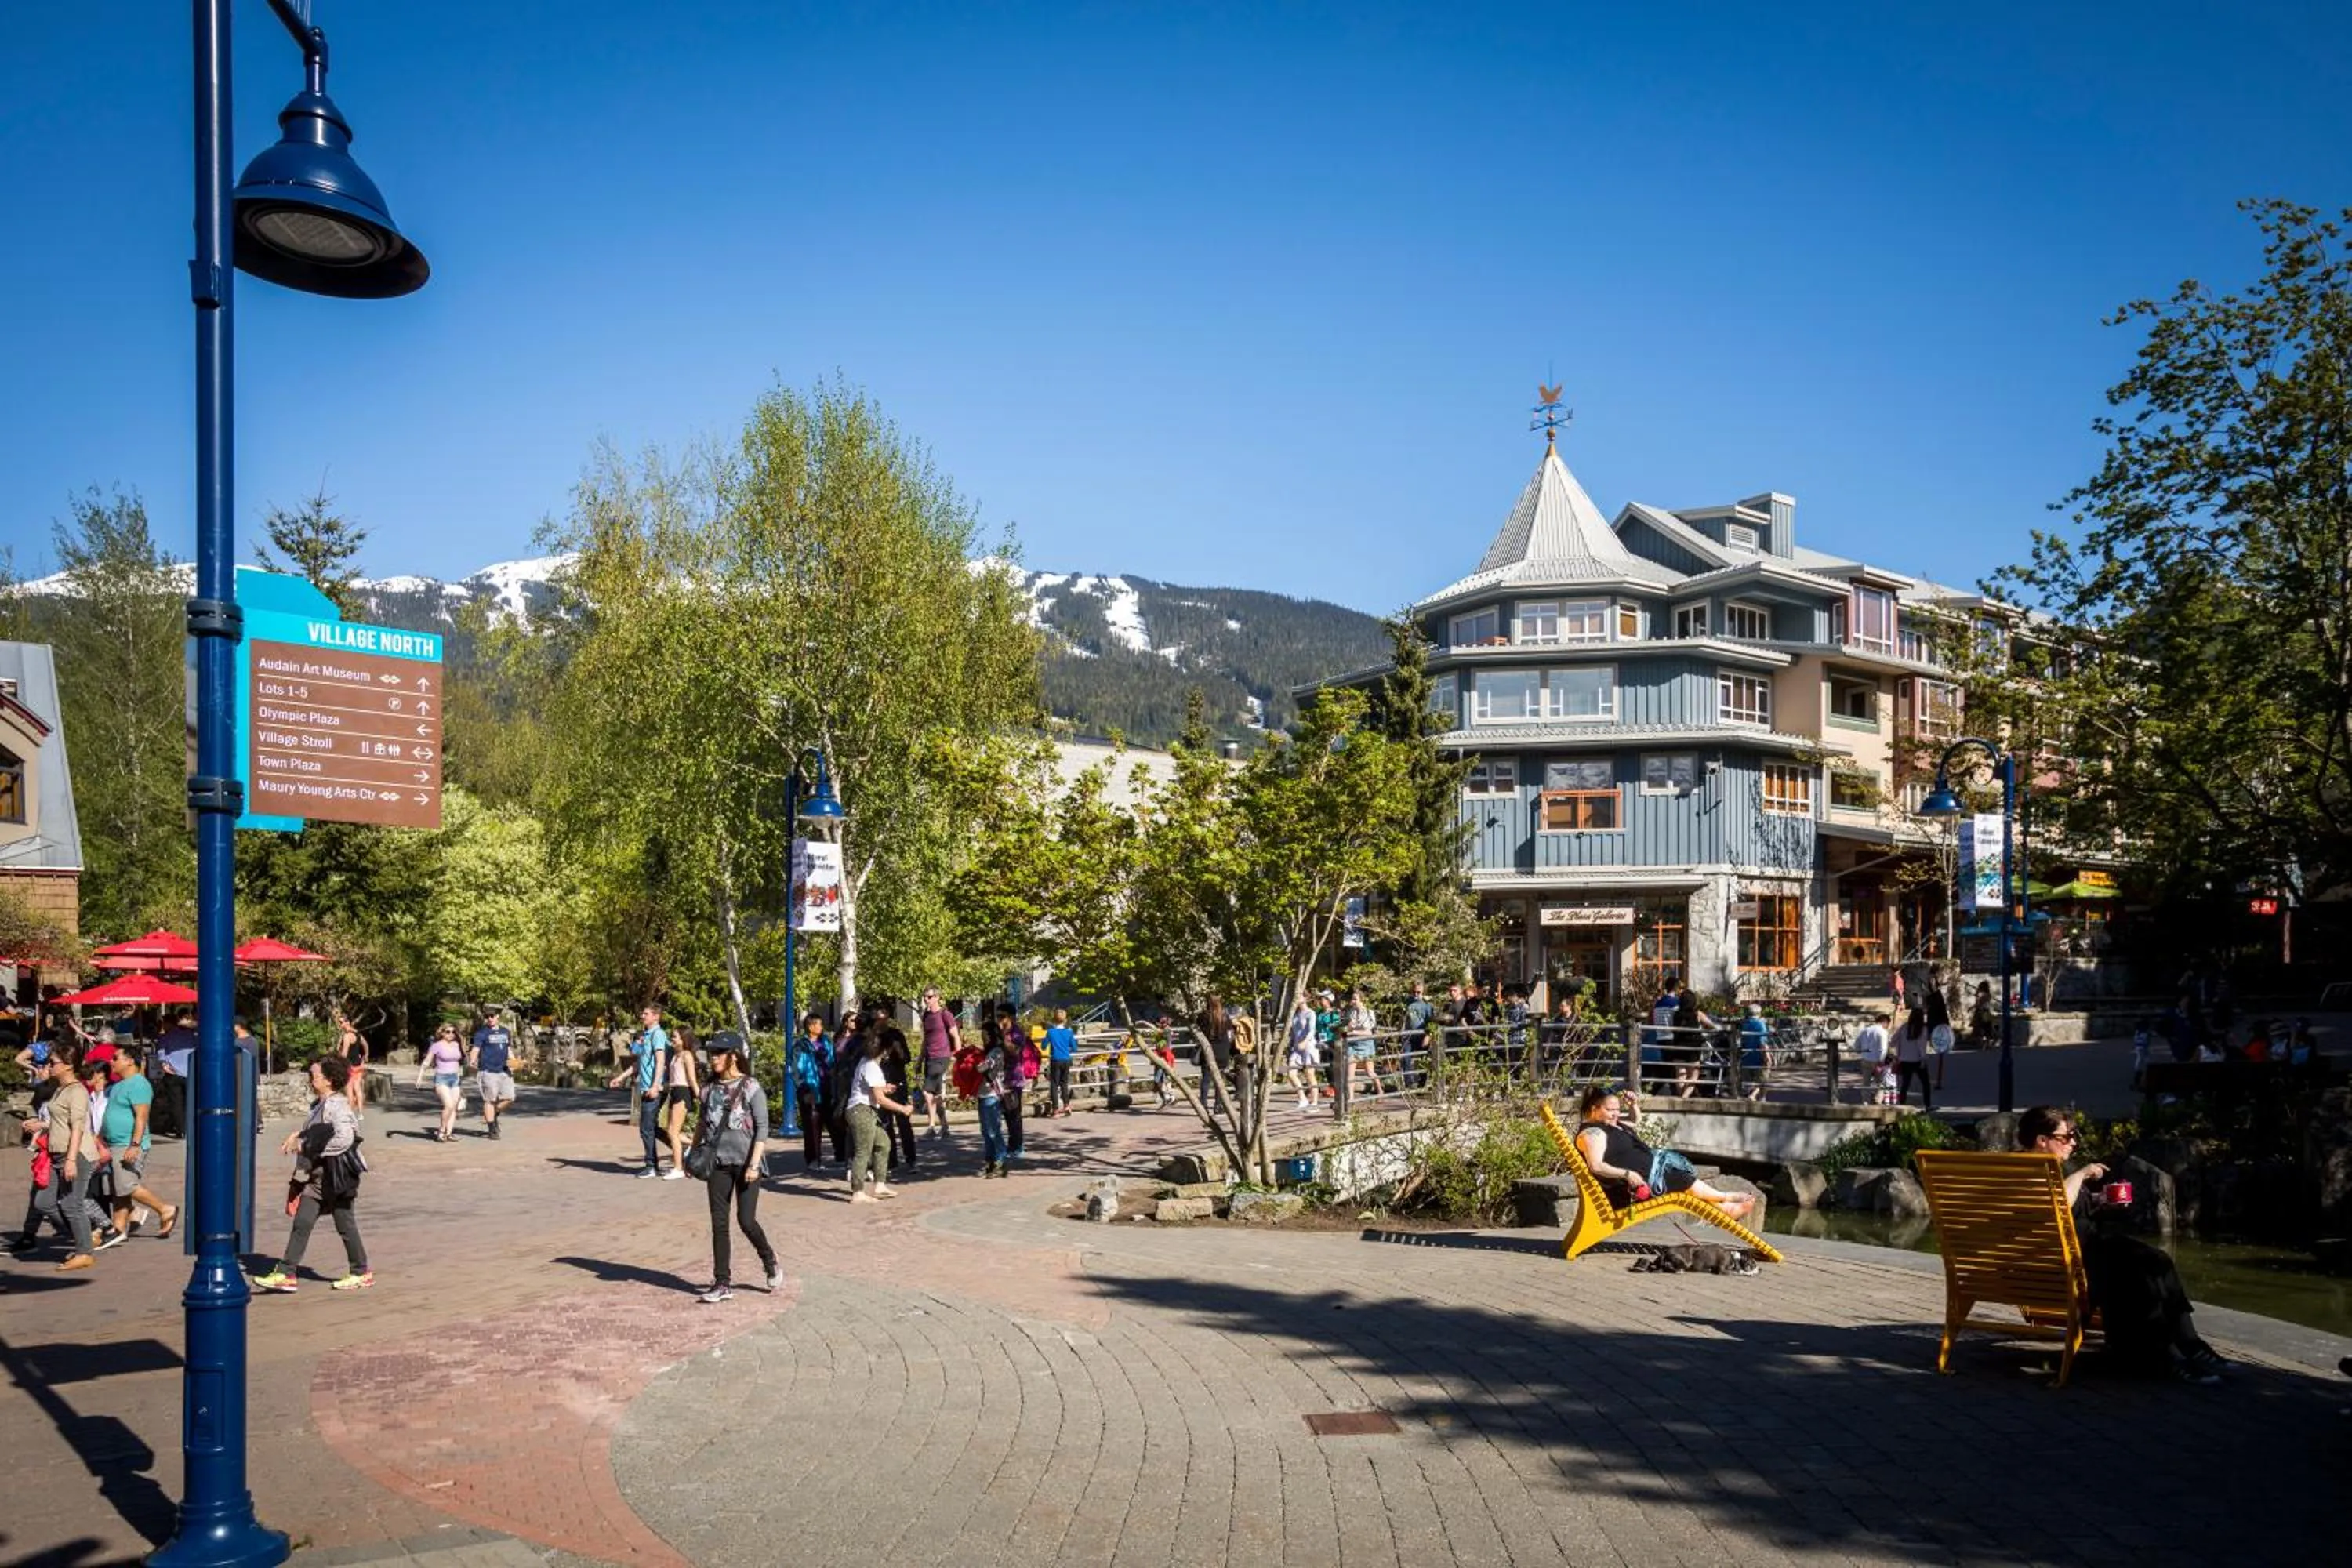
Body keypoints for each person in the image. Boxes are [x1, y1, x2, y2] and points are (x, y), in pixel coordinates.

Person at [2019, 1106, 2227, 1383]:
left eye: (2074, 1135)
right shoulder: (2025, 1170)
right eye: (2066, 1136)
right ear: (2042, 1140)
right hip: (2067, 1263)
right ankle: (2164, 1358)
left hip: (2082, 1253)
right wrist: (2081, 1174)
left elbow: (2065, 1209)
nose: (2074, 1142)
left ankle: (2187, 1346)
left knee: (2156, 1260)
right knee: (2137, 1276)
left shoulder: (2045, 1169)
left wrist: (2099, 1201)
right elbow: (2056, 1207)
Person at [251, 1055, 371, 1294]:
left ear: (328, 1080)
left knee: (345, 1224)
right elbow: (317, 1131)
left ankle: (360, 1272)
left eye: (314, 1074)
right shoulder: (319, 1104)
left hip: (336, 1178)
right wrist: (299, 1135)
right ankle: (286, 1273)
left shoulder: (337, 1105)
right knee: (302, 1223)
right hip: (317, 1179)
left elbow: (345, 1138)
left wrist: (309, 1148)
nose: (310, 1077)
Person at [1572, 1084, 1755, 1220]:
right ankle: (1726, 1198)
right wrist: (1628, 1174)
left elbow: (1634, 1122)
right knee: (1680, 1179)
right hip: (1635, 1188)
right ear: (1594, 1109)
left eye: (1618, 1109)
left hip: (1651, 1176)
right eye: (1610, 1110)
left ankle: (1724, 1210)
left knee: (1679, 1179)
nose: (1616, 1114)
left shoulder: (1608, 1124)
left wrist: (1633, 1105)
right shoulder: (1592, 1133)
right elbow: (1596, 1165)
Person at [691, 1035, 779, 1304]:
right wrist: (692, 1155)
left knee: (746, 1221)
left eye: (718, 1053)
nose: (713, 1058)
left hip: (747, 1165)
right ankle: (722, 1282)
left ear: (733, 1055)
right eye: (710, 1053)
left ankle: (769, 1259)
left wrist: (754, 1164)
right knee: (719, 1224)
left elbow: (762, 1128)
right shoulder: (708, 1090)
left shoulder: (751, 1087)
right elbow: (702, 1124)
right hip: (718, 1164)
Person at [31, 1046, 99, 1270]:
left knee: (72, 1204)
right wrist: (40, 1125)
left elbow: (78, 1127)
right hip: (56, 1153)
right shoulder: (61, 1089)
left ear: (68, 1066)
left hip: (76, 1154)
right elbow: (61, 1122)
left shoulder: (77, 1091)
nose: (49, 1066)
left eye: (54, 1062)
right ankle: (85, 1236)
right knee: (44, 1202)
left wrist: (71, 1160)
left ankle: (84, 1251)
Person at [102, 1047, 176, 1240]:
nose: (111, 1061)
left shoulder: (139, 1084)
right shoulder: (119, 1085)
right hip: (114, 1143)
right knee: (118, 1188)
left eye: (116, 1058)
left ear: (130, 1061)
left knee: (126, 1184)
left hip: (128, 1143)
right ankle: (118, 1228)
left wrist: (134, 1145)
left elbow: (141, 1117)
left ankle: (164, 1209)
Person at [844, 1028, 911, 1203]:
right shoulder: (872, 1066)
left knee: (883, 1143)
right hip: (862, 1111)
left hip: (865, 1110)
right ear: (885, 1050)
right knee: (863, 1151)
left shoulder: (866, 1062)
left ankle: (880, 1185)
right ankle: (858, 1192)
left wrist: (884, 1088)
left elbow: (874, 1091)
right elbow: (880, 1099)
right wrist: (902, 1109)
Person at [605, 1005, 670, 1178]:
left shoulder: (658, 1035)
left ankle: (651, 1166)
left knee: (646, 1128)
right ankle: (679, 1148)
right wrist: (621, 1077)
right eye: (643, 1013)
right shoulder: (647, 1036)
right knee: (651, 1127)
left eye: (646, 1013)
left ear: (656, 1017)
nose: (642, 1016)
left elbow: (660, 1060)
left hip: (653, 1088)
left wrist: (655, 1086)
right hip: (646, 1087)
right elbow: (639, 1063)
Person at [917, 989, 960, 1138]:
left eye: (929, 997)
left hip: (941, 1057)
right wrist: (920, 1060)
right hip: (929, 1058)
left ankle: (931, 1127)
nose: (926, 999)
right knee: (935, 1095)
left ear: (937, 997)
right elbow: (925, 1039)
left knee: (927, 1092)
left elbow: (955, 1035)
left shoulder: (945, 1014)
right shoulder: (926, 1016)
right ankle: (945, 1127)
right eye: (925, 997)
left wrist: (959, 1054)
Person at [878, 1018, 919, 1173]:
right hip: (882, 1084)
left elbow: (906, 1058)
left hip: (898, 1083)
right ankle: (891, 1160)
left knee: (904, 1123)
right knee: (885, 1124)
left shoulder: (896, 1035)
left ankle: (911, 1159)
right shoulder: (874, 1037)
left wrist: (897, 1049)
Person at [791, 1013, 832, 1167]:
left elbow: (833, 1062)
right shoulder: (800, 1045)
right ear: (810, 1027)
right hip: (810, 1089)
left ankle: (842, 1156)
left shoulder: (826, 1042)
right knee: (812, 1125)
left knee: (833, 1122)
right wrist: (804, 1090)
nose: (821, 1027)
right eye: (819, 1024)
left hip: (827, 1086)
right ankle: (813, 1159)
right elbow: (796, 1070)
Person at [471, 1010, 517, 1141]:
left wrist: (514, 1062)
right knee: (489, 1100)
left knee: (510, 1097)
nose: (489, 1019)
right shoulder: (482, 1033)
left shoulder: (505, 1032)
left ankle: (494, 1113)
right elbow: (476, 1049)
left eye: (492, 1016)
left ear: (498, 1017)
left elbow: (508, 1049)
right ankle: (492, 1129)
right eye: (487, 1017)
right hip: (488, 1070)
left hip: (504, 1070)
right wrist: (473, 1060)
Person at [415, 1023, 466, 1143]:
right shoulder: (436, 1046)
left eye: (453, 1032)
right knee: (448, 1105)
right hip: (442, 1078)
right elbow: (427, 1062)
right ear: (442, 1033)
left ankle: (449, 1133)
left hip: (455, 1078)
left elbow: (459, 1062)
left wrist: (459, 1075)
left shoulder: (456, 1044)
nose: (451, 1034)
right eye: (448, 1032)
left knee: (453, 1107)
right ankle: (441, 1131)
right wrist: (420, 1077)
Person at [998, 1004, 1034, 1160]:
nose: (998, 1019)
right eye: (997, 1016)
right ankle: (1011, 1145)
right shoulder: (999, 1031)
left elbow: (1015, 1050)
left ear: (1011, 1017)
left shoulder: (1017, 1032)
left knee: (1014, 1114)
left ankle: (1017, 1146)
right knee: (1006, 1113)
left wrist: (1002, 1039)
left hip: (1013, 1078)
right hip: (1000, 1078)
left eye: (1002, 1016)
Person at [976, 1019, 1011, 1178]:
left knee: (993, 1130)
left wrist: (974, 1064)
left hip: (992, 1095)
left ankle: (1001, 1161)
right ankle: (990, 1161)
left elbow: (984, 1066)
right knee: (985, 1131)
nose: (982, 1038)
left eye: (984, 1035)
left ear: (991, 1035)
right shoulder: (988, 1050)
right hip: (983, 1094)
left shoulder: (996, 1051)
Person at [152, 1013, 194, 1138]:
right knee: (189, 1101)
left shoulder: (166, 1037)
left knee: (176, 1102)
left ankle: (181, 1129)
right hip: (190, 1072)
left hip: (173, 1073)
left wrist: (165, 1065)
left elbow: (160, 1053)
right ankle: (189, 1126)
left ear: (168, 1023)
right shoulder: (190, 1035)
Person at [1342, 989, 1382, 1099]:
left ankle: (1379, 1089)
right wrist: (1347, 1030)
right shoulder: (1351, 1013)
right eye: (1352, 999)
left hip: (1366, 1044)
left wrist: (1354, 1032)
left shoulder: (1369, 1013)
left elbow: (1369, 1032)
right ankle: (1350, 1098)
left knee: (1369, 1072)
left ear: (1362, 1000)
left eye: (1355, 999)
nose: (1353, 1001)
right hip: (1353, 1045)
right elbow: (1347, 1028)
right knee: (1350, 1073)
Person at [1892, 1007, 1934, 1109]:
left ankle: (1901, 1105)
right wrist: (1924, 1059)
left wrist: (1899, 1051)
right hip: (1918, 1060)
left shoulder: (1904, 1027)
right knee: (1925, 1084)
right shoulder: (1922, 1029)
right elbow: (1921, 1046)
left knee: (1905, 1084)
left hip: (1905, 1060)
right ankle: (1928, 1105)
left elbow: (1893, 1040)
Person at [1283, 994, 1319, 1112]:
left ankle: (1314, 1103)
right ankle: (1303, 1098)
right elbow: (1293, 1033)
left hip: (1308, 1046)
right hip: (1296, 1047)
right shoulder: (1295, 1015)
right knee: (1291, 1073)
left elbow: (1312, 1030)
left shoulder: (1311, 1013)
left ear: (1305, 998)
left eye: (1299, 997)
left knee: (1309, 1074)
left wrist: (1305, 1041)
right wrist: (1290, 1045)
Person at [1850, 1011, 1893, 1105]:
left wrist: (1861, 1053)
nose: (1888, 1027)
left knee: (1866, 1082)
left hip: (1865, 1059)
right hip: (1877, 1060)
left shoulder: (1865, 1030)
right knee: (1880, 1082)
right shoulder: (1883, 1032)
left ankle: (1865, 1101)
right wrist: (1881, 1062)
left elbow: (1856, 1045)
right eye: (1888, 1024)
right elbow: (1883, 1049)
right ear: (1885, 1022)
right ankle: (1878, 1100)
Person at [1044, 1008, 1079, 1116]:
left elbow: (1043, 1046)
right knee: (1064, 1083)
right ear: (1065, 1020)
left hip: (1055, 1059)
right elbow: (1074, 1048)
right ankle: (1066, 1105)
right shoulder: (1069, 1032)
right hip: (1066, 1059)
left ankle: (1055, 1110)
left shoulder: (1050, 1032)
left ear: (1054, 1020)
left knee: (1054, 1084)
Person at [336, 1009, 368, 1115]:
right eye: (339, 1022)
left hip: (349, 1066)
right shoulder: (357, 1033)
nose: (340, 1025)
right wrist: (366, 1055)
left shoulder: (347, 1036)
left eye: (341, 1022)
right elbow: (365, 1044)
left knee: (349, 1089)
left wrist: (338, 1063)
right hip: (358, 1065)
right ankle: (360, 1113)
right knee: (357, 1089)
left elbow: (344, 1054)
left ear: (347, 1022)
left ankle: (350, 1113)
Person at [1736, 1003, 1770, 1101]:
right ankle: (1758, 1098)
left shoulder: (1744, 1024)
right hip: (1758, 1056)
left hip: (1746, 1056)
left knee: (1748, 1081)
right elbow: (1762, 1042)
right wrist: (1767, 1056)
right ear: (1759, 1013)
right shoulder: (1760, 1024)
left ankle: (1750, 1096)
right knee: (1764, 1079)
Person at [1924, 982, 1955, 1090]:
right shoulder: (1935, 996)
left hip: (1937, 1025)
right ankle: (1937, 1081)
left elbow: (1937, 1012)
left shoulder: (1934, 997)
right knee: (1939, 1054)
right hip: (1938, 1025)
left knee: (1939, 1053)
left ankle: (1937, 1081)